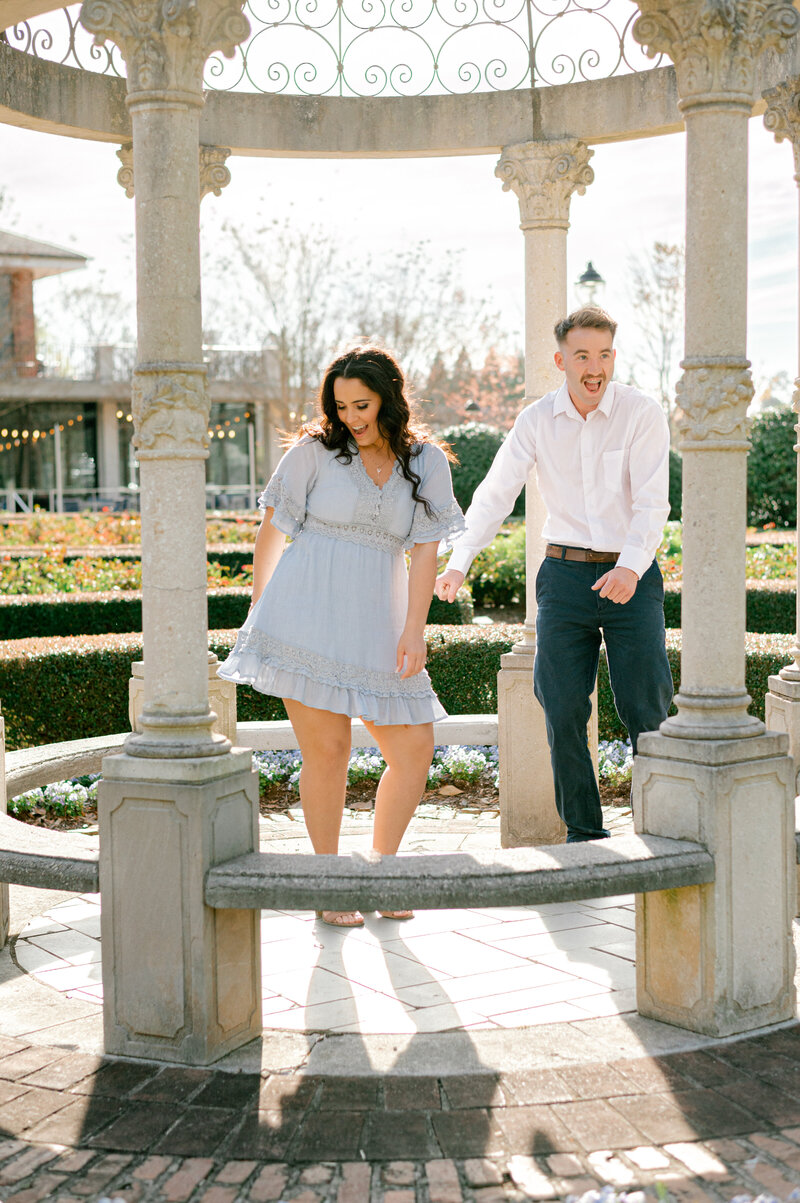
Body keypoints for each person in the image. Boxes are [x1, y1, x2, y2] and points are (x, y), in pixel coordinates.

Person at [219, 345, 464, 924]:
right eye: (342, 406)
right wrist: (262, 615)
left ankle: (382, 871)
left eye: (363, 404)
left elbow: (425, 557)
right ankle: (329, 886)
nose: (352, 417)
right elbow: (271, 534)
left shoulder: (426, 462)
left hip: (380, 619)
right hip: (303, 613)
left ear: (389, 397)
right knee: (327, 752)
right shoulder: (313, 454)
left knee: (414, 747)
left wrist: (415, 631)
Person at [435, 306, 673, 842]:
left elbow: (653, 504)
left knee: (647, 708)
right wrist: (458, 561)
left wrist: (631, 567)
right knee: (561, 706)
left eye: (605, 354)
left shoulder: (642, 412)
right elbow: (496, 493)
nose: (596, 367)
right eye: (583, 356)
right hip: (563, 578)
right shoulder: (537, 420)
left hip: (631, 579)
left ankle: (660, 829)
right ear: (561, 360)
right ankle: (585, 836)